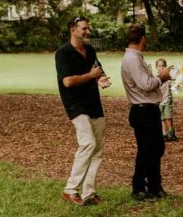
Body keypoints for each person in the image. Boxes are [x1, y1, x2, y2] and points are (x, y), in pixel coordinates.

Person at [55, 16, 109, 206]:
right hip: (75, 104)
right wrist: (91, 76)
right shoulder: (63, 53)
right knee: (88, 143)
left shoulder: (90, 50)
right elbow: (68, 81)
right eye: (84, 29)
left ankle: (89, 193)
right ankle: (70, 189)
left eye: (88, 28)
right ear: (73, 29)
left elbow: (97, 71)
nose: (87, 32)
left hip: (93, 102)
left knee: (97, 150)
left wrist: (100, 79)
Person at [120, 24, 171, 201]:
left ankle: (155, 186)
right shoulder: (132, 59)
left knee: (156, 148)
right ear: (143, 39)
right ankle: (139, 187)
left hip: (148, 109)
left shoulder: (135, 57)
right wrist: (162, 77)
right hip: (142, 110)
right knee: (147, 150)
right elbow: (146, 84)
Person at [155, 58, 177, 141]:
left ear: (166, 67)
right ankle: (164, 134)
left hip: (167, 98)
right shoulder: (155, 78)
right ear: (156, 67)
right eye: (159, 66)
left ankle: (171, 133)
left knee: (168, 117)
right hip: (159, 101)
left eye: (163, 66)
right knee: (162, 118)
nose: (161, 67)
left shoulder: (168, 77)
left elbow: (173, 82)